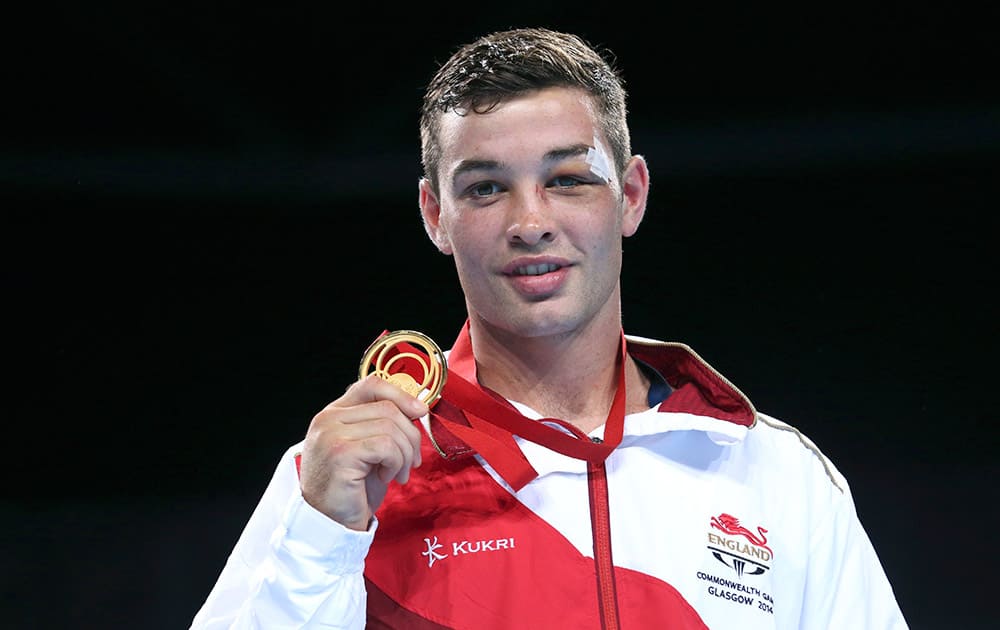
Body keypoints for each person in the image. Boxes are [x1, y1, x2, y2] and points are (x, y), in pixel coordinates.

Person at [190, 27, 908, 629]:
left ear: (629, 196)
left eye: (567, 179)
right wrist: (319, 533)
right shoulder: (347, 479)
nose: (531, 224)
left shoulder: (774, 476)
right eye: (486, 188)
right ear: (434, 215)